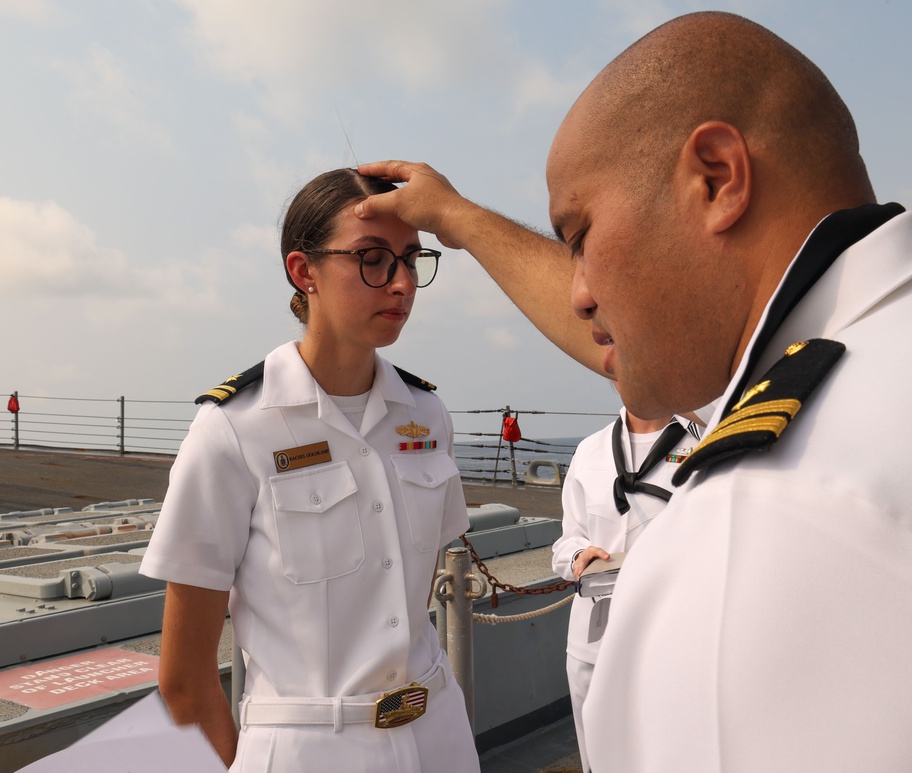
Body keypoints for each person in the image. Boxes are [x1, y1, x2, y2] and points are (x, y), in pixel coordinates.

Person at [356, 11, 912, 771]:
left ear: (717, 178)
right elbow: (641, 328)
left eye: (579, 235)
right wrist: (454, 216)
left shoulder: (755, 531)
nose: (581, 294)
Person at [139, 168, 480, 772]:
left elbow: (410, 593)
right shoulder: (234, 430)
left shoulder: (426, 415)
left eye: (410, 258)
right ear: (304, 272)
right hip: (311, 752)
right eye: (373, 259)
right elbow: (185, 680)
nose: (401, 283)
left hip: (439, 737)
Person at [551, 406, 700, 772]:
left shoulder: (706, 442)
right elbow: (567, 539)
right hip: (593, 639)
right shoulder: (591, 449)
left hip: (674, 636)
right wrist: (579, 555)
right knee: (597, 759)